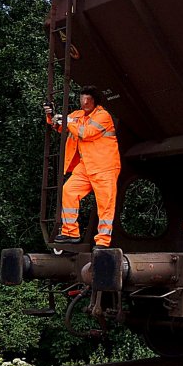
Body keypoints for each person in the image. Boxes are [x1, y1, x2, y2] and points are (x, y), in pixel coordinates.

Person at [44, 86, 120, 246]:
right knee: (69, 191)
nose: (84, 102)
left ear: (95, 102)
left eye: (88, 99)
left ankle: (103, 242)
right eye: (82, 99)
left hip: (105, 167)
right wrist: (51, 116)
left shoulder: (103, 116)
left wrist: (65, 121)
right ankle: (70, 233)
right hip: (86, 167)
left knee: (105, 205)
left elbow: (85, 133)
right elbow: (60, 127)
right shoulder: (77, 116)